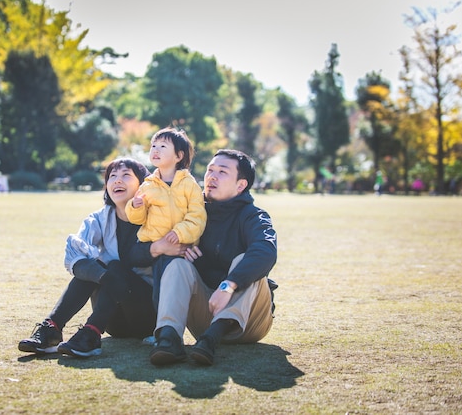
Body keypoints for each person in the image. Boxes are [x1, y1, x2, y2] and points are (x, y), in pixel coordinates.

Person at [133, 149, 278, 366]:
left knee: (246, 262)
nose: (212, 176)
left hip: (249, 323)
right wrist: (165, 248)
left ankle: (213, 337)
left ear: (241, 185)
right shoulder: (190, 212)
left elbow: (266, 250)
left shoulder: (253, 216)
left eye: (222, 172)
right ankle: (169, 338)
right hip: (203, 318)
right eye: (210, 170)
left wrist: (228, 286)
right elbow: (135, 253)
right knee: (178, 265)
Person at [18, 158, 173, 358]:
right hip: (114, 322)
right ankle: (52, 328)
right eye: (112, 176)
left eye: (126, 175)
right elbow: (74, 257)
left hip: (146, 315)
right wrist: (104, 277)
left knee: (114, 266)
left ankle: (91, 334)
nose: (117, 181)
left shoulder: (157, 218)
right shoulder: (99, 219)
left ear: (143, 184)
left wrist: (110, 273)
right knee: (97, 266)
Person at [125, 127, 206, 309]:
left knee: (170, 290)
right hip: (155, 247)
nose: (155, 150)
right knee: (156, 292)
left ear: (178, 156)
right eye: (153, 145)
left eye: (162, 146)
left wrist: (180, 232)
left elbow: (197, 216)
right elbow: (138, 220)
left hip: (179, 248)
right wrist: (135, 206)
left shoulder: (189, 185)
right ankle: (159, 328)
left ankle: (168, 326)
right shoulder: (148, 185)